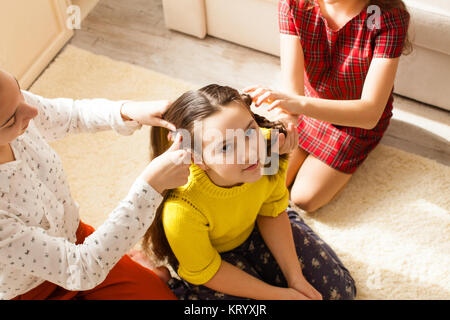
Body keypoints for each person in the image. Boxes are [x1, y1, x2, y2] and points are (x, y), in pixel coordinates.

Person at [141, 84, 356, 300]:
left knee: (341, 293)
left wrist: (296, 279)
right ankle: (168, 283)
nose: (250, 152)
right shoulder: (180, 209)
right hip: (211, 261)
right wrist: (281, 296)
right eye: (225, 147)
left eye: (250, 131)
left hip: (257, 225)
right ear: (197, 158)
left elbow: (271, 210)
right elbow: (208, 270)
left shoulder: (269, 148)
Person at [0, 69, 192, 300]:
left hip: (76, 242)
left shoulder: (13, 103)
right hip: (31, 289)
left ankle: (126, 262)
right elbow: (80, 269)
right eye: (11, 120)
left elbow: (71, 115)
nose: (32, 111)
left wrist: (126, 111)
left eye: (20, 90)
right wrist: (150, 187)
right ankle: (124, 260)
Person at [244, 0, 411, 212]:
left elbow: (370, 114)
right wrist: (287, 123)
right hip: (307, 107)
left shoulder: (381, 17)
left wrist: (296, 105)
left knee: (304, 198)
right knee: (264, 180)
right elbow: (293, 90)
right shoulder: (295, 4)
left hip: (353, 122)